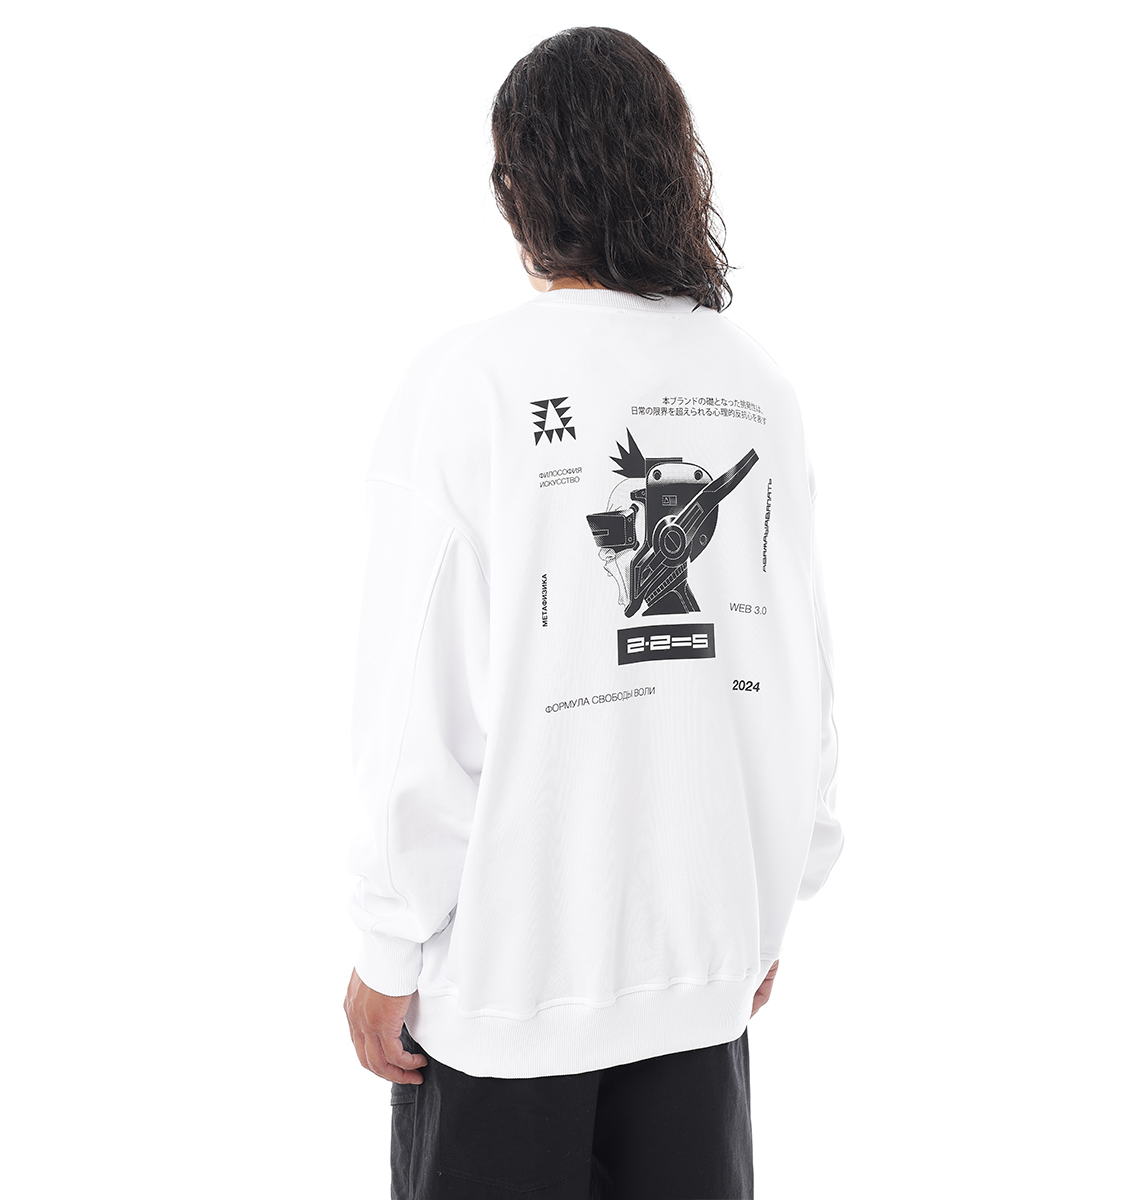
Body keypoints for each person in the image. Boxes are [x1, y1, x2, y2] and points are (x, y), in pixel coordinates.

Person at [343, 26, 843, 1200]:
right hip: (697, 982)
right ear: (673, 165)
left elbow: (422, 698)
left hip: (506, 1000)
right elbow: (798, 671)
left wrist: (384, 940)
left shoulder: (470, 384)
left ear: (517, 184)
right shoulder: (753, 384)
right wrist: (761, 907)